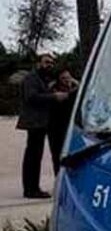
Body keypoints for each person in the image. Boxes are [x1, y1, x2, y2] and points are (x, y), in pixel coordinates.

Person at [16, 54, 68, 198]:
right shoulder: (31, 78)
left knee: (35, 155)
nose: (49, 65)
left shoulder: (43, 79)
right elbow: (31, 97)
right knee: (33, 156)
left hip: (41, 122)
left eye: (51, 63)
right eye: (46, 62)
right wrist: (54, 97)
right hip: (34, 122)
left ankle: (33, 187)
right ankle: (31, 189)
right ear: (38, 63)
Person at [47, 68, 80, 175]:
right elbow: (66, 96)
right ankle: (59, 176)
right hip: (55, 128)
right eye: (63, 78)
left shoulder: (73, 89)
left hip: (70, 126)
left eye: (68, 77)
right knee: (57, 155)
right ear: (58, 80)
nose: (67, 80)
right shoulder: (54, 91)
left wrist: (76, 84)